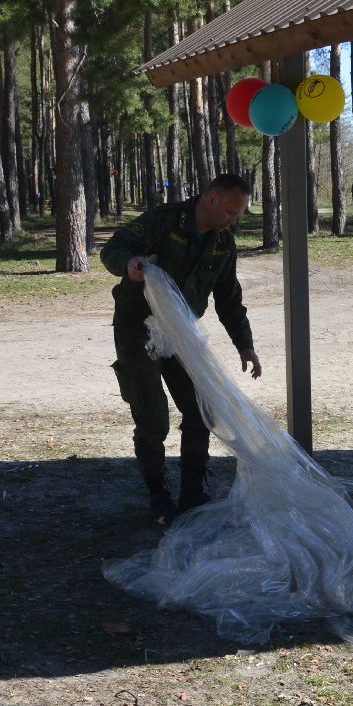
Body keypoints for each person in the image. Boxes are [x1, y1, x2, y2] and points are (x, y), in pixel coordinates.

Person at [101, 174, 262, 524]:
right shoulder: (165, 220)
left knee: (200, 406)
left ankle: (193, 489)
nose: (234, 221)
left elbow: (229, 298)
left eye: (239, 215)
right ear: (212, 199)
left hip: (181, 333)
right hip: (138, 329)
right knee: (152, 416)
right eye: (232, 212)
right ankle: (157, 493)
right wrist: (129, 266)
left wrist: (245, 345)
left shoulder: (222, 243)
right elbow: (113, 249)